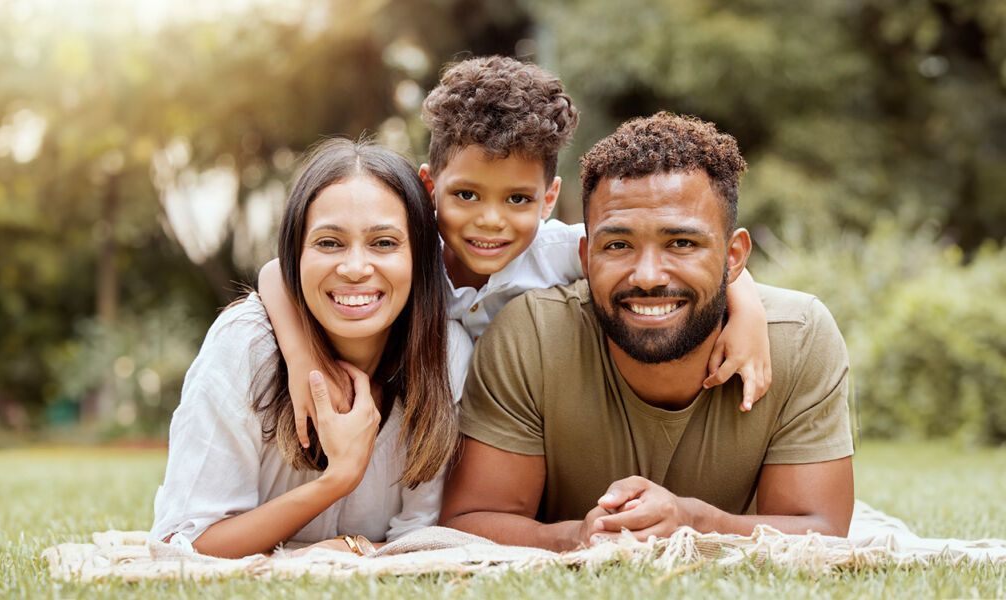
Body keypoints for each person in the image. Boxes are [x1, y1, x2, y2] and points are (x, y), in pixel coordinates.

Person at [259, 57, 773, 446]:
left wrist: (746, 313)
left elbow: (682, 260)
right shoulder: (407, 255)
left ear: (548, 199)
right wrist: (304, 357)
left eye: (518, 199)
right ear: (430, 185)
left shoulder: (561, 250)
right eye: (466, 195)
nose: (490, 220)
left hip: (520, 434)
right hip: (427, 433)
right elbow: (276, 274)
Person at [439, 112, 855, 551]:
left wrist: (694, 520)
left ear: (734, 257)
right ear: (585, 257)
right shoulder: (531, 335)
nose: (649, 276)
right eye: (618, 245)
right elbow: (471, 521)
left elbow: (822, 531)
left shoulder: (799, 336)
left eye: (682, 243)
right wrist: (579, 534)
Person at [150, 139, 471, 558]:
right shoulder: (247, 346)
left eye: (385, 243)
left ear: (420, 258)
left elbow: (417, 540)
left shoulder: (444, 356)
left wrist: (347, 548)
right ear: (294, 256)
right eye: (329, 243)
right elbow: (183, 546)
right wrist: (336, 480)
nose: (355, 268)